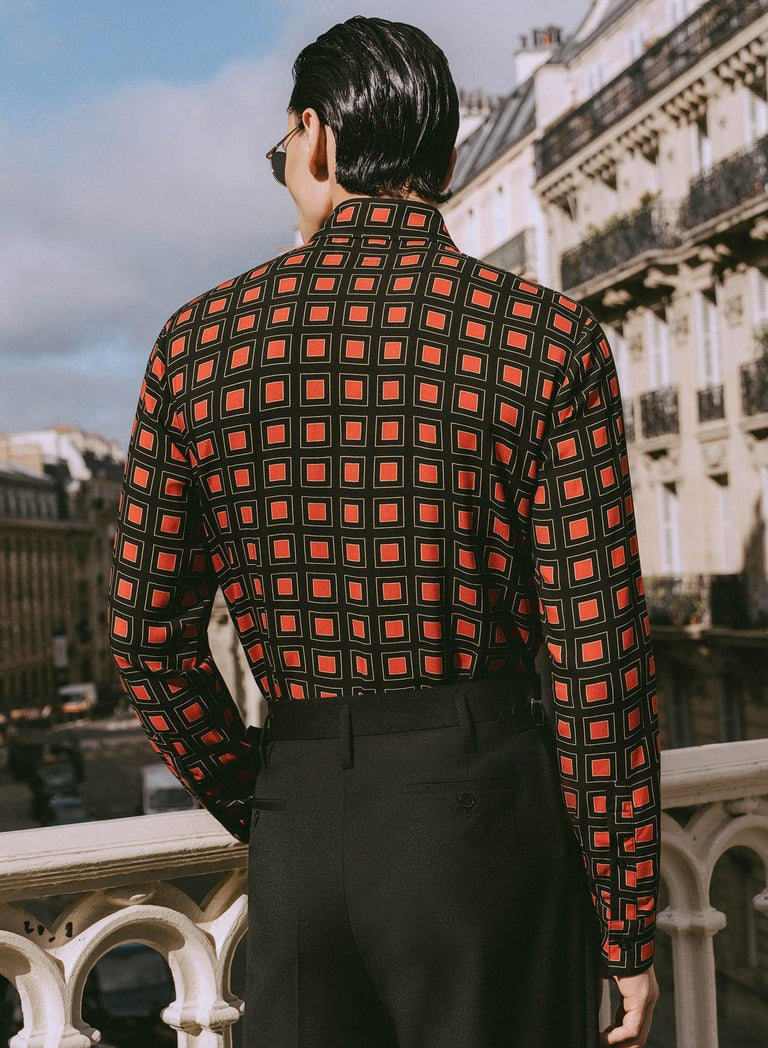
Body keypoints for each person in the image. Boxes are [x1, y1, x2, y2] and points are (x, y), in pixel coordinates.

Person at [106, 15, 661, 1048]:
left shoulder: (195, 347)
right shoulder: (546, 341)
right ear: (448, 158)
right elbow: (599, 660)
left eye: (283, 155)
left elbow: (145, 636)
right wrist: (628, 920)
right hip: (487, 814)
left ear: (315, 139)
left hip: (304, 822)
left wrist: (271, 794)